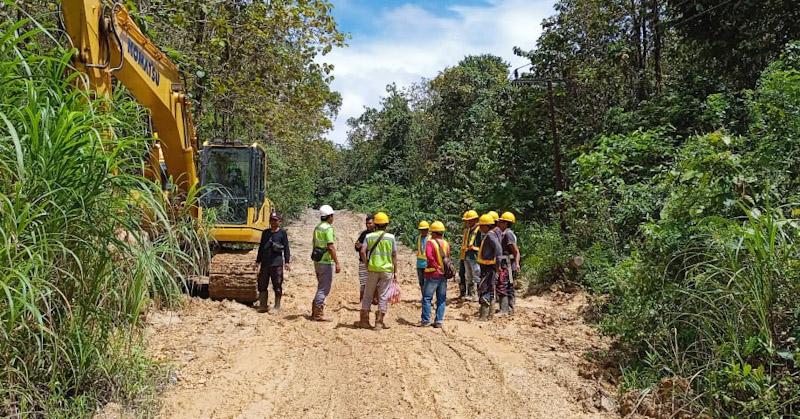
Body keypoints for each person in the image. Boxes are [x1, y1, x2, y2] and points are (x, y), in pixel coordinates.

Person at [357, 212, 397, 330]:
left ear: (375, 224)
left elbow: (362, 252)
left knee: (368, 295)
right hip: (386, 270)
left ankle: (364, 321)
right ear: (386, 225)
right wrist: (395, 271)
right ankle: (379, 323)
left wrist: (367, 264)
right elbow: (394, 255)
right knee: (383, 295)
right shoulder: (391, 237)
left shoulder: (369, 237)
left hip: (372, 269)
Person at [255, 212, 291, 313]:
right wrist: (257, 261)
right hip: (265, 263)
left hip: (277, 263)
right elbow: (261, 247)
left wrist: (287, 261)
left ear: (279, 221)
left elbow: (286, 248)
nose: (273, 222)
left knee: (277, 285)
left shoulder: (282, 233)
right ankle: (263, 305)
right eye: (271, 220)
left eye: (275, 220)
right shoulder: (265, 233)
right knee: (262, 284)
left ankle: (277, 306)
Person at [311, 204, 341, 321]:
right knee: (324, 288)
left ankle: (315, 310)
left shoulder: (317, 227)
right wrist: (337, 262)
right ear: (329, 217)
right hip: (325, 261)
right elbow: (331, 247)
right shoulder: (328, 228)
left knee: (321, 286)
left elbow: (314, 243)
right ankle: (318, 313)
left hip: (317, 261)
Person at [420, 221, 450, 328]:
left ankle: (426, 320)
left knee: (427, 297)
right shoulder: (446, 243)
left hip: (432, 273)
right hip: (443, 274)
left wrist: (436, 266)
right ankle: (439, 321)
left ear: (433, 232)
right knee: (441, 298)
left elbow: (429, 256)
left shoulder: (430, 243)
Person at [476, 213, 502, 321]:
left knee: (484, 289)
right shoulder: (489, 234)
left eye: (482, 226)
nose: (480, 228)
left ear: (487, 225)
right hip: (488, 267)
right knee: (490, 290)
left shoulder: (490, 235)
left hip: (488, 267)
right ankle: (489, 315)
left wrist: (498, 265)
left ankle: (483, 316)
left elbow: (498, 249)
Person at [497, 212, 520, 315]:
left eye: (501, 222)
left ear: (506, 223)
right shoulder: (505, 233)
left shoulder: (508, 234)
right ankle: (510, 308)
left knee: (503, 285)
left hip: (508, 264)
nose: (499, 224)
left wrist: (516, 263)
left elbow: (515, 251)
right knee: (508, 285)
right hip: (507, 263)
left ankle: (505, 309)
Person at [458, 210, 481, 300]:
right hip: (467, 256)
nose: (468, 222)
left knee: (476, 274)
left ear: (475, 219)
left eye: (470, 220)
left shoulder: (479, 230)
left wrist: (475, 248)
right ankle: (470, 294)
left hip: (475, 256)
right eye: (467, 221)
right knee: (469, 276)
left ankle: (478, 295)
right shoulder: (467, 230)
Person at [355, 215, 376, 302]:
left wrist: (363, 247)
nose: (368, 225)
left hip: (374, 261)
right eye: (367, 223)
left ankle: (374, 298)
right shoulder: (363, 234)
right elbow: (357, 247)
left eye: (370, 223)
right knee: (363, 281)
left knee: (375, 281)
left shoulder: (377, 234)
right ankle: (362, 299)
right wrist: (358, 246)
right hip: (363, 261)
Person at [416, 221, 430, 296]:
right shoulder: (418, 238)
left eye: (425, 229)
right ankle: (424, 296)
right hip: (419, 263)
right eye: (422, 230)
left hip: (428, 264)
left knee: (428, 282)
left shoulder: (431, 238)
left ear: (428, 230)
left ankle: (428, 297)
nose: (423, 231)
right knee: (421, 282)